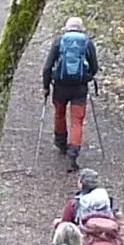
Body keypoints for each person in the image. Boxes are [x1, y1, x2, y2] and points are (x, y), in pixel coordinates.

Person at [41, 17, 99, 170]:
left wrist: (46, 86)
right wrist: (88, 77)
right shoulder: (87, 42)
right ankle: (73, 152)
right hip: (80, 88)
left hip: (60, 87)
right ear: (81, 28)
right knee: (77, 121)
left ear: (66, 28)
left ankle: (61, 143)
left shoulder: (59, 42)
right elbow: (94, 66)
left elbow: (47, 67)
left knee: (59, 114)